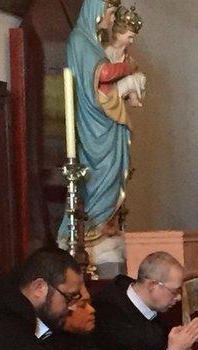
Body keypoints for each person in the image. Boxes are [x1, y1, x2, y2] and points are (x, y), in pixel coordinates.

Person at [60, 0, 139, 267]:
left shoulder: (93, 42)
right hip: (95, 123)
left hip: (108, 122)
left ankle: (102, 228)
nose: (112, 18)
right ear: (96, 11)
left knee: (114, 175)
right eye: (111, 12)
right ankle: (91, 233)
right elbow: (102, 74)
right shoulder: (79, 41)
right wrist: (128, 69)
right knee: (99, 176)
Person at [103, 6, 146, 108]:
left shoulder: (125, 54)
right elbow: (106, 73)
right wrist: (127, 68)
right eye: (129, 37)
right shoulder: (108, 52)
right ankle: (133, 99)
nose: (131, 41)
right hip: (109, 90)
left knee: (140, 77)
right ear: (118, 35)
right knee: (131, 80)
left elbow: (132, 68)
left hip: (119, 87)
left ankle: (133, 98)